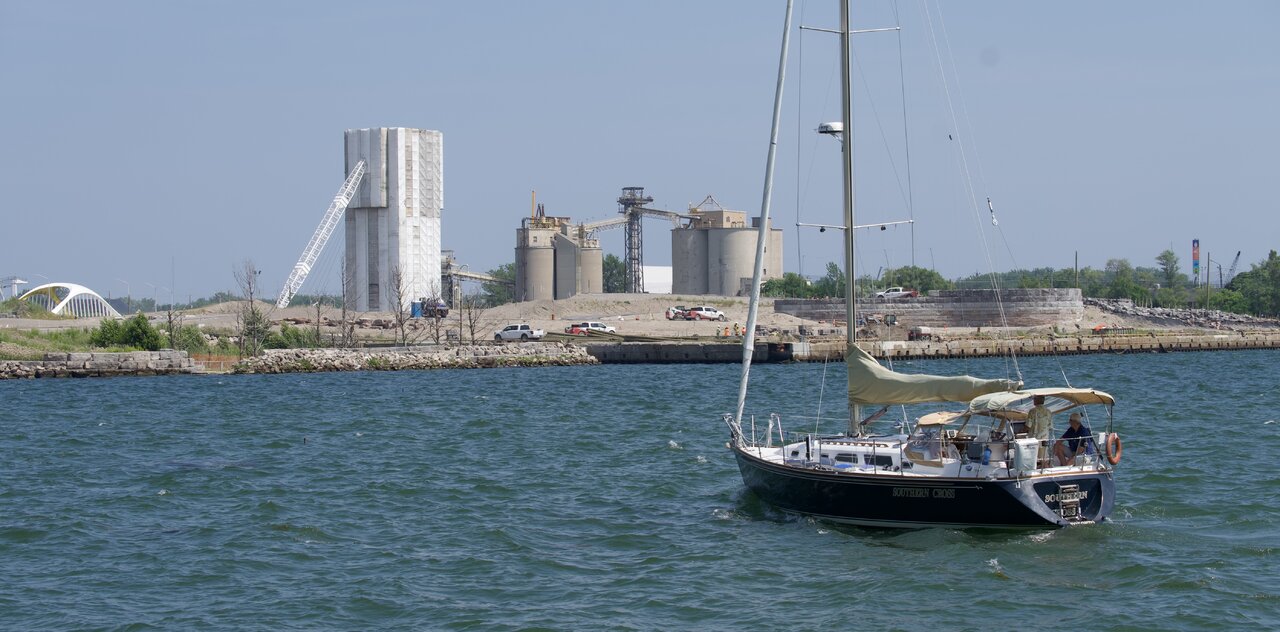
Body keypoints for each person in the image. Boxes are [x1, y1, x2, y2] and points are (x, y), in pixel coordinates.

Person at [1024, 395, 1054, 467]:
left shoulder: (1032, 411)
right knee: (1043, 458)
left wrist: (1021, 431)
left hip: (1034, 439)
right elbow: (1050, 427)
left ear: (1037, 400)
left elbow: (1028, 426)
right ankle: (1046, 468)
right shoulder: (1048, 411)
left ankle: (1035, 469)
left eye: (1034, 399)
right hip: (1044, 438)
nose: (1033, 400)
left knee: (1033, 457)